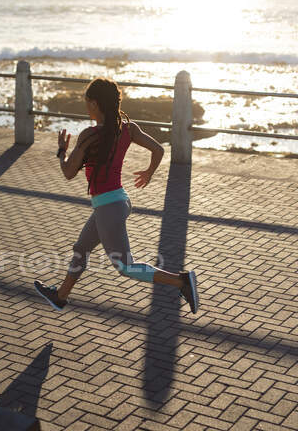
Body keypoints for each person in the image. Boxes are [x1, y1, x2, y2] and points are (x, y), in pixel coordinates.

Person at [34, 78, 199, 314]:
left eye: (87, 103)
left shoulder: (89, 135)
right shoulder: (127, 128)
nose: (86, 107)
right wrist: (149, 173)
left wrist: (61, 151)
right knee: (81, 248)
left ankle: (181, 281)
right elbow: (159, 149)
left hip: (109, 207)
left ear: (94, 103)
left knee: (125, 267)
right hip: (117, 201)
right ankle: (60, 296)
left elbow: (68, 173)